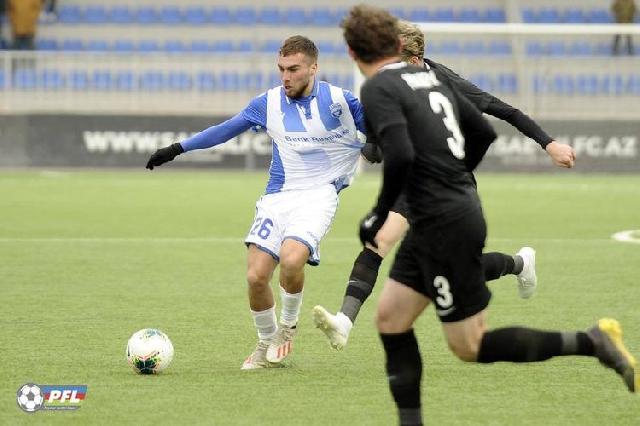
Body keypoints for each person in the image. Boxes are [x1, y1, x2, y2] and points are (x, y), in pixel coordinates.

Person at [341, 6, 637, 424]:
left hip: (443, 221)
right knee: (391, 319)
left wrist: (378, 211)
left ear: (353, 53)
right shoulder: (429, 77)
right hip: (445, 213)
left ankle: (592, 341)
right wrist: (454, 174)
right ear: (394, 45)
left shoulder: (377, 88)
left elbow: (402, 154)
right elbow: (482, 131)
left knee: (469, 345)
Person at [312, 20, 576, 351]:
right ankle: (344, 322)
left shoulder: (445, 82)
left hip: (448, 188)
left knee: (454, 274)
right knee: (378, 243)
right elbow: (378, 151)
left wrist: (549, 144)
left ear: (411, 60)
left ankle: (520, 263)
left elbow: (504, 111)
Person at [145, 35, 366, 369]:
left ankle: (287, 330)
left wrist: (379, 145)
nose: (285, 76)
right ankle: (265, 343)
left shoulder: (341, 101)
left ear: (313, 68)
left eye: (293, 69)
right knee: (256, 276)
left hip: (319, 196)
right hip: (277, 198)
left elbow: (380, 131)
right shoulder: (269, 103)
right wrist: (178, 148)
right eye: (281, 69)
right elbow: (225, 129)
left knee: (292, 261)